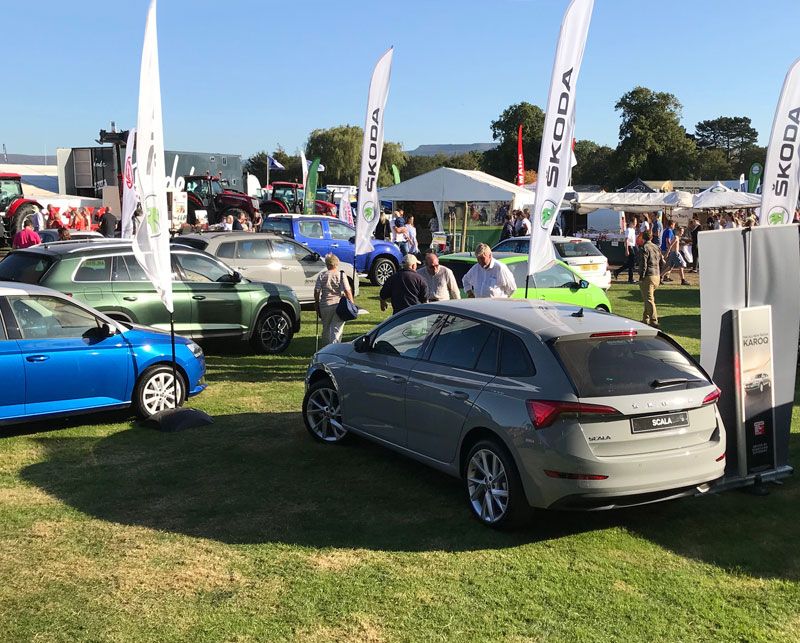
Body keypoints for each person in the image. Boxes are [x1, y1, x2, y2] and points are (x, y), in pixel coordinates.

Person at [314, 253, 354, 347]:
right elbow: (347, 290)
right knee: (337, 329)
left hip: (325, 305)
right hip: (338, 305)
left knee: (326, 328)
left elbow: (317, 291)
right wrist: (352, 303)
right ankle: (334, 348)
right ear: (336, 263)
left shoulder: (322, 275)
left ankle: (326, 348)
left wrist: (316, 303)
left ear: (327, 264)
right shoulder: (341, 275)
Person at [638, 230, 661, 328]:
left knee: (649, 299)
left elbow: (644, 264)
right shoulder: (656, 247)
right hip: (657, 275)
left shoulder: (644, 248)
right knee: (648, 298)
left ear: (643, 238)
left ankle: (654, 320)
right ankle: (645, 318)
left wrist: (641, 276)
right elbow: (660, 260)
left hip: (649, 276)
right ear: (651, 237)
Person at [613, 218, 638, 283]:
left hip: (632, 246)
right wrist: (626, 249)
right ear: (631, 222)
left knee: (630, 263)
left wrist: (636, 247)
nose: (636, 223)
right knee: (631, 264)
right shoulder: (628, 230)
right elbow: (626, 240)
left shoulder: (633, 230)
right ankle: (630, 278)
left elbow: (634, 240)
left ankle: (617, 271)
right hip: (629, 246)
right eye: (635, 222)